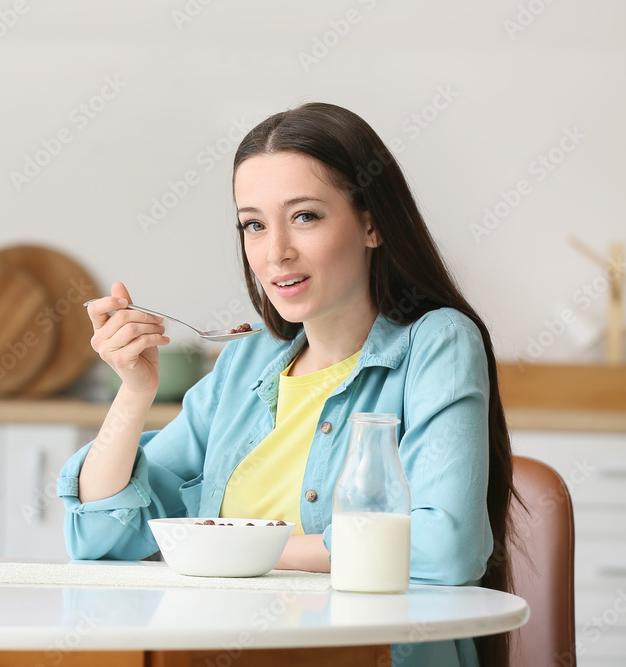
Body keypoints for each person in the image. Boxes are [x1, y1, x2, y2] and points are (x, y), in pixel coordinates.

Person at [57, 102, 518, 667]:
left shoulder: (437, 344)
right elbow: (104, 540)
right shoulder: (246, 363)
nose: (275, 252)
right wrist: (133, 394)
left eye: (305, 216)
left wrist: (245, 548)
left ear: (372, 223)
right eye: (254, 224)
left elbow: (446, 549)